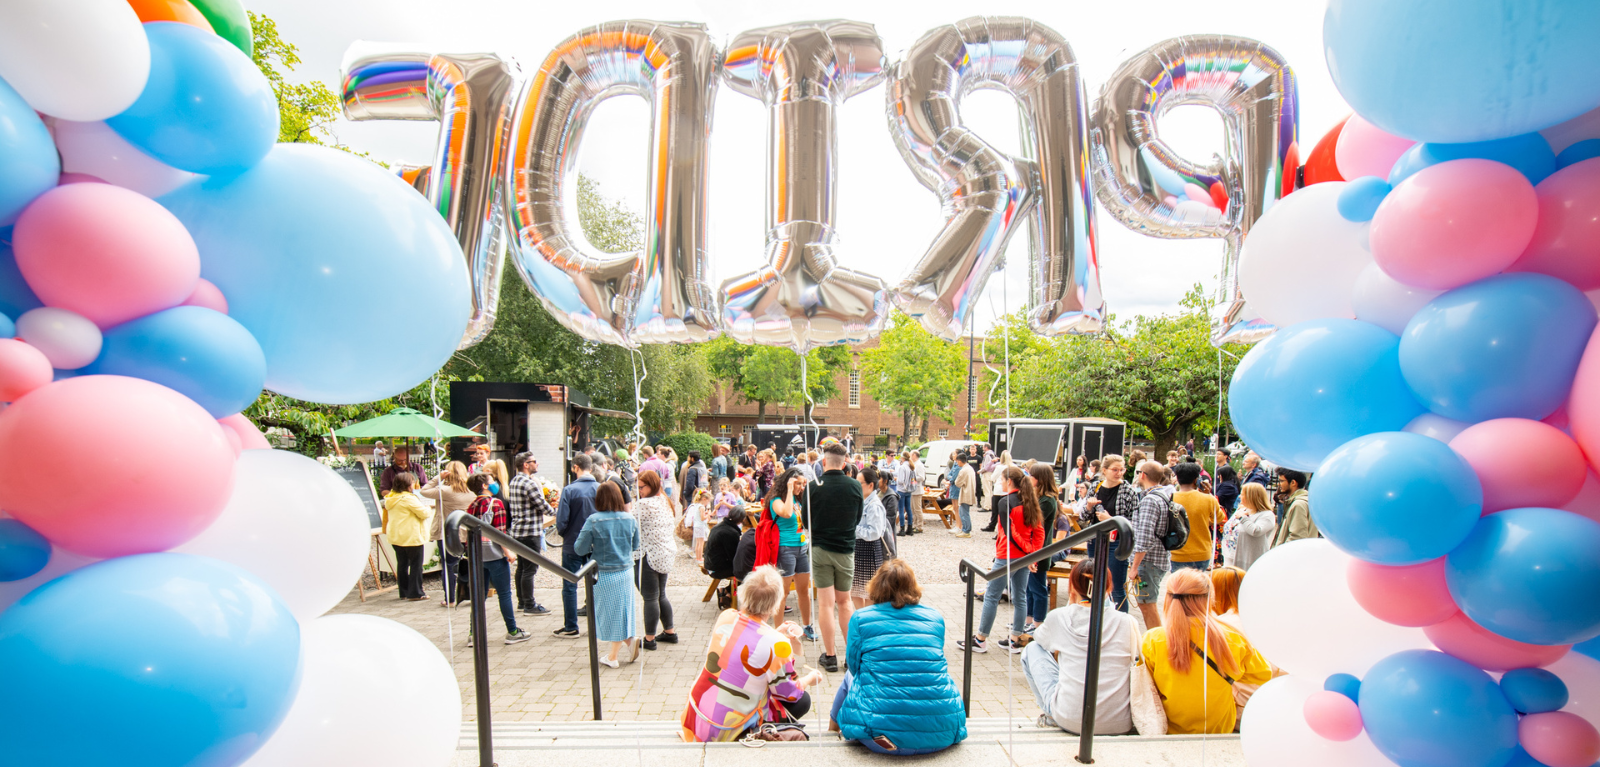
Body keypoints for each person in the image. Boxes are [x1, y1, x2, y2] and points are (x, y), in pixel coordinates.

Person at [830, 559, 968, 754]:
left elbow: (854, 667)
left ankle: (830, 731)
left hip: (879, 737)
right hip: (942, 732)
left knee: (850, 677)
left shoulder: (861, 618)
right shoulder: (935, 617)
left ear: (876, 586)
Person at [680, 566, 822, 742]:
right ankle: (754, 732)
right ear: (775, 605)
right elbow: (787, 693)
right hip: (727, 728)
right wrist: (810, 679)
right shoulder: (778, 644)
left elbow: (746, 641)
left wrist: (775, 633)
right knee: (803, 701)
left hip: (697, 715)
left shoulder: (727, 616)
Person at [1141, 569, 1271, 734]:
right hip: (1220, 726)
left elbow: (1147, 683)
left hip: (1171, 727)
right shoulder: (1231, 637)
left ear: (1167, 598)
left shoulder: (1152, 639)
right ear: (1209, 599)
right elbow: (1263, 674)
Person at [1022, 557, 1136, 735]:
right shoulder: (1127, 621)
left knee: (1031, 650)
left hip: (1070, 719)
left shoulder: (1059, 617)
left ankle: (1051, 714)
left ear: (1072, 587)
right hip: (1120, 721)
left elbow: (1040, 640)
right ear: (1108, 588)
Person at [958, 466, 1044, 655]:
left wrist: (1029, 553)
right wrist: (1032, 555)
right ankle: (1014, 640)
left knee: (992, 595)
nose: (1001, 483)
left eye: (1002, 480)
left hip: (1008, 554)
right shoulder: (1029, 500)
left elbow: (1011, 534)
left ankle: (980, 639)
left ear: (1009, 481)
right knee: (1020, 596)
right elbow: (1039, 532)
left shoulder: (1006, 502)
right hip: (1023, 556)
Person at [800, 442, 864, 671]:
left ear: (824, 461)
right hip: (845, 549)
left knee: (826, 604)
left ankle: (830, 656)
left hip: (820, 550)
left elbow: (806, 521)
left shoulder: (812, 488)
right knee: (845, 602)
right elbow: (857, 519)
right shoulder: (855, 486)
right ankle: (849, 657)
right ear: (845, 462)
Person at [574, 480, 640, 668]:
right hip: (626, 571)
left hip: (604, 573)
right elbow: (635, 545)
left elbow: (579, 548)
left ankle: (612, 657)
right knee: (623, 611)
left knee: (609, 614)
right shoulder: (630, 519)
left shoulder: (594, 520)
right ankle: (629, 640)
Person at [465, 473, 532, 645]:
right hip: (494, 555)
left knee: (479, 595)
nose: (495, 484)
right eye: (491, 481)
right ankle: (512, 631)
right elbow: (499, 533)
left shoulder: (471, 505)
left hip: (476, 555)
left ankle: (474, 633)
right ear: (485, 486)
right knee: (504, 594)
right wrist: (508, 552)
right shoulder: (496, 504)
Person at [631, 470, 679, 651]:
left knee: (650, 597)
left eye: (641, 487)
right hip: (665, 553)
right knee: (661, 595)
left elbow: (630, 526)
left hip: (648, 555)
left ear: (651, 485)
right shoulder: (664, 500)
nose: (639, 491)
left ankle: (649, 639)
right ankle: (669, 632)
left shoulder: (644, 504)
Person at [553, 453, 600, 638]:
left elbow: (561, 521)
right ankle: (596, 624)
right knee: (595, 583)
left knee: (570, 584)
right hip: (595, 543)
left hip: (572, 542)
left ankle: (571, 626)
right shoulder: (600, 488)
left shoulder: (569, 490)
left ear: (575, 467)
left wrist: (565, 533)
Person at [763, 468, 814, 636]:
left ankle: (807, 626)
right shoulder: (776, 500)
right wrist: (790, 490)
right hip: (785, 548)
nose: (800, 487)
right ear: (788, 483)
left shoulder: (798, 500)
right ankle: (779, 631)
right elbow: (786, 513)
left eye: (802, 483)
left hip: (801, 547)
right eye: (797, 483)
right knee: (783, 592)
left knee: (803, 590)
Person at [1085, 454, 1137, 612]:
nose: (1119, 473)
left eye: (1122, 470)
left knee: (1116, 586)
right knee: (1094, 582)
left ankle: (1121, 622)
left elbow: (1134, 523)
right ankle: (1097, 619)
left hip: (1117, 543)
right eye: (1115, 470)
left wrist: (1112, 520)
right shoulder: (1096, 487)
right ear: (1104, 470)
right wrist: (1088, 507)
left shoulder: (1129, 491)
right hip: (1095, 540)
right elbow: (1083, 518)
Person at [503, 452, 553, 615]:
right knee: (530, 568)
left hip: (518, 530)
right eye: (534, 461)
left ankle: (521, 601)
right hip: (530, 530)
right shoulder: (528, 483)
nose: (536, 464)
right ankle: (529, 604)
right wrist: (555, 511)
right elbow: (542, 505)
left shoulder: (514, 480)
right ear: (526, 464)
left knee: (522, 568)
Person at [420, 461, 475, 607]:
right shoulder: (472, 490)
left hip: (450, 532)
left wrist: (438, 477)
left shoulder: (444, 490)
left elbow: (424, 491)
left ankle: (450, 599)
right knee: (470, 564)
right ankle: (472, 595)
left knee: (449, 565)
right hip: (468, 532)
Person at [1129, 461, 1174, 631]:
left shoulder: (1150, 500)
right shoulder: (1163, 495)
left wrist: (1134, 567)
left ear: (1143, 475)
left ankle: (1156, 645)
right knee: (1146, 604)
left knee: (1147, 606)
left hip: (1148, 562)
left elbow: (1145, 538)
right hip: (1155, 560)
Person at [382, 472, 432, 602]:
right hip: (411, 535)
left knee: (402, 564)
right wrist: (427, 507)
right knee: (416, 565)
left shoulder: (391, 497)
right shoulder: (409, 498)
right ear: (407, 484)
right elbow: (424, 513)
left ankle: (403, 591)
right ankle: (416, 592)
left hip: (396, 536)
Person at [1024, 463, 1061, 631]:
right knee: (1029, 589)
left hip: (1040, 551)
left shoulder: (1047, 501)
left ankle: (1038, 623)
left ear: (1039, 478)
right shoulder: (1040, 497)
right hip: (1033, 549)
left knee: (1038, 589)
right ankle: (1028, 620)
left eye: (1031, 475)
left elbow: (1032, 522)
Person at [1169, 462, 1223, 572]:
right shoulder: (1208, 499)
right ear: (1196, 480)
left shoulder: (1169, 498)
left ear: (1177, 479)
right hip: (1202, 553)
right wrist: (1209, 495)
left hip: (1177, 553)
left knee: (1179, 587)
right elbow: (1219, 518)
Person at [850, 467, 891, 610]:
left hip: (870, 553)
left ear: (870, 485)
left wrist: (852, 528)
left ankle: (867, 623)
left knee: (869, 594)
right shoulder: (863, 500)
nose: (856, 486)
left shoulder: (874, 505)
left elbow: (874, 533)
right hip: (859, 551)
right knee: (855, 591)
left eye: (859, 483)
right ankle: (861, 620)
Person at [1222, 483, 1277, 570]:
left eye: (1242, 494)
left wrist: (1243, 518)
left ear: (1251, 496)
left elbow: (1256, 531)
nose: (1239, 496)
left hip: (1248, 560)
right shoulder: (1242, 509)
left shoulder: (1267, 515)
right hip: (1229, 555)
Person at [1271, 468, 1317, 547]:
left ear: (1293, 483)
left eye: (1281, 481)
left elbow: (1297, 537)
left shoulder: (1298, 504)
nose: (1279, 484)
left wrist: (1281, 554)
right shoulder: (1301, 500)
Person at [704, 506, 747, 581]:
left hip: (709, 564)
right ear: (742, 520)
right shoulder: (731, 533)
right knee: (748, 570)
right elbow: (734, 557)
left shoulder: (717, 527)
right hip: (716, 569)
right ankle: (732, 591)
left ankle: (727, 590)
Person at [981, 451, 1015, 533]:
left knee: (996, 511)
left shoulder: (999, 467)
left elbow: (992, 477)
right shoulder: (1014, 467)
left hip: (998, 491)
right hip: (1009, 490)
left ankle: (992, 525)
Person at [952, 453, 978, 538]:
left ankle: (966, 530)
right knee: (964, 511)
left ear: (959, 461)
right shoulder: (970, 468)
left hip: (965, 492)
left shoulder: (963, 470)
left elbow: (957, 483)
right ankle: (966, 529)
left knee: (963, 512)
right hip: (970, 491)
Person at [689, 486, 713, 564]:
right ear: (704, 499)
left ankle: (697, 557)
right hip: (701, 526)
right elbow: (703, 518)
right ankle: (699, 558)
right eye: (708, 501)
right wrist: (708, 515)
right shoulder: (702, 507)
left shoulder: (696, 505)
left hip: (696, 525)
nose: (707, 504)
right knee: (701, 543)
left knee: (698, 542)